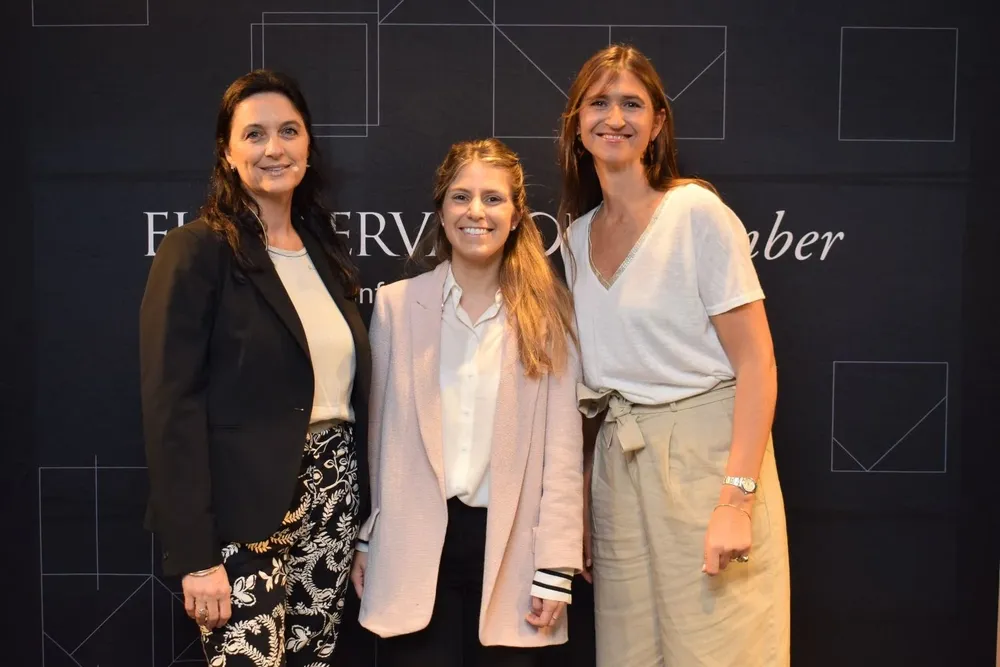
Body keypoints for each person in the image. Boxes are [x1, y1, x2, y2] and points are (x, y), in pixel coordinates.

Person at [557, 45, 791, 666]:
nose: (615, 118)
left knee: (720, 650)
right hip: (618, 466)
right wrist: (584, 500)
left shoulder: (696, 213)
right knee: (629, 655)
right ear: (577, 123)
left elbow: (757, 365)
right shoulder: (575, 238)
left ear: (658, 123)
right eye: (599, 103)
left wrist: (735, 502)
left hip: (704, 459)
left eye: (632, 104)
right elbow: (598, 390)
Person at [139, 69, 371, 667]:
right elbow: (172, 408)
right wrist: (196, 555)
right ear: (227, 151)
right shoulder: (197, 250)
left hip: (332, 501)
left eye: (289, 131)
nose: (275, 148)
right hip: (241, 518)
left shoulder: (325, 254)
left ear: (309, 145)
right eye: (255, 134)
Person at [349, 138, 583, 667]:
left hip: (512, 552)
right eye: (461, 196)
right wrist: (369, 537)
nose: (476, 211)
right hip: (411, 548)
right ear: (441, 210)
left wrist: (555, 566)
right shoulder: (396, 306)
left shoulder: (551, 314)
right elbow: (380, 440)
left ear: (517, 215)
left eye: (493, 198)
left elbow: (563, 454)